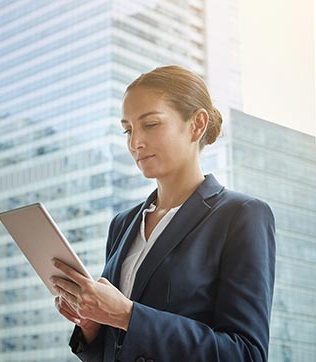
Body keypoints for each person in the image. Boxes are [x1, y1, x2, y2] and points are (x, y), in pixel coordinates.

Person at [51, 65, 276, 362]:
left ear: (196, 124)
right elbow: (116, 350)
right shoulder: (123, 224)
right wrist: (92, 325)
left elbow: (245, 354)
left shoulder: (241, 215)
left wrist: (127, 316)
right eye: (128, 130)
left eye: (151, 124)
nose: (135, 143)